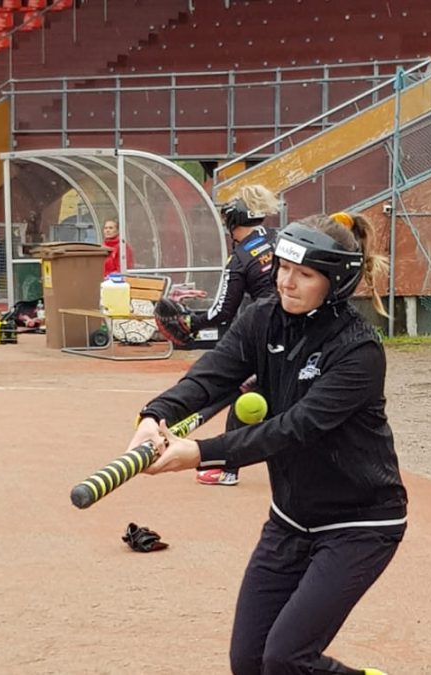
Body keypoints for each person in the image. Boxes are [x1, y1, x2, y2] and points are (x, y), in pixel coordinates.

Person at [133, 212, 405, 675]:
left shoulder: (359, 350)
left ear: (336, 282)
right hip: (291, 519)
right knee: (248, 662)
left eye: (305, 274)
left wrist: (200, 453)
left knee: (286, 658)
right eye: (283, 267)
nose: (287, 282)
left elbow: (295, 428)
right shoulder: (262, 318)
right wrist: (154, 416)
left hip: (359, 524)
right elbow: (210, 376)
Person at [156, 184, 281, 487]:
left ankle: (227, 468)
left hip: (267, 329)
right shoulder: (279, 237)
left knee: (243, 394)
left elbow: (222, 311)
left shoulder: (240, 257)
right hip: (301, 325)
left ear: (233, 222)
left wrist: (191, 322)